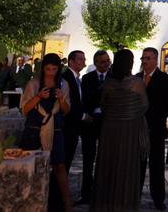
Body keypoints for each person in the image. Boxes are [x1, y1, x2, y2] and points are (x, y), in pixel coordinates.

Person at [91, 49, 148, 212]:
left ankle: (105, 203)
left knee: (107, 166)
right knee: (126, 167)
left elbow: (103, 105)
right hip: (128, 130)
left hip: (109, 129)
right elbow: (144, 106)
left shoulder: (108, 83)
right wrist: (129, 114)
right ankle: (123, 204)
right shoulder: (137, 83)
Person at [19, 53, 72, 212]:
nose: (51, 72)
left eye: (54, 69)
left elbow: (66, 110)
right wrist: (38, 97)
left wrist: (61, 99)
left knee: (59, 165)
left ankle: (66, 203)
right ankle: (28, 199)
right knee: (31, 164)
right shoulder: (33, 84)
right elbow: (25, 109)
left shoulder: (63, 84)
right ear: (43, 69)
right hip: (34, 128)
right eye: (48, 69)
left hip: (55, 128)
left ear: (58, 69)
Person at [136, 47, 168, 210]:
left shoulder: (165, 79)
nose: (144, 61)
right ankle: (134, 196)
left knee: (157, 166)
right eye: (143, 58)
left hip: (156, 129)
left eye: (148, 58)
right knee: (137, 165)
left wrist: (157, 117)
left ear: (155, 59)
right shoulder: (136, 78)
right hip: (137, 130)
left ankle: (158, 198)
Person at [78, 50, 111, 204]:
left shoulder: (113, 78)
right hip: (90, 123)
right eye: (103, 61)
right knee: (88, 158)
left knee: (106, 159)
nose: (107, 63)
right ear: (96, 63)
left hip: (107, 123)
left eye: (108, 60)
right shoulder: (87, 78)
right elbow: (84, 99)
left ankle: (103, 191)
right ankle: (86, 193)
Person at [62, 50, 86, 173]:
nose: (83, 61)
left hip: (74, 127)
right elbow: (69, 102)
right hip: (67, 126)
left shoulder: (77, 79)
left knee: (68, 160)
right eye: (80, 59)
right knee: (64, 161)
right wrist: (82, 116)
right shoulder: (67, 78)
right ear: (71, 61)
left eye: (84, 59)